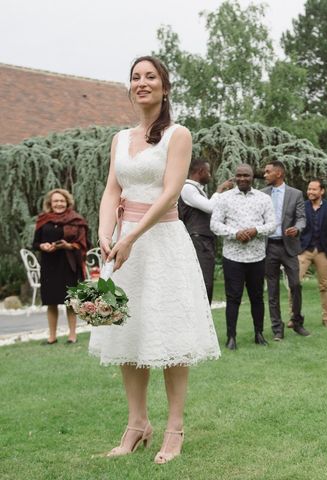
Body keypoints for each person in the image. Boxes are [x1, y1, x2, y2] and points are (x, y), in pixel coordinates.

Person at [89, 56, 220, 464]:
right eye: (135, 77)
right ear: (129, 88)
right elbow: (112, 190)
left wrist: (131, 235)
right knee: (127, 334)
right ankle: (136, 424)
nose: (142, 83)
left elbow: (169, 192)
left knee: (170, 335)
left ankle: (174, 428)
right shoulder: (119, 138)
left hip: (161, 242)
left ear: (164, 87)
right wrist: (105, 232)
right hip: (124, 249)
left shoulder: (177, 135)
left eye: (151, 77)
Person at [210, 164, 276, 350]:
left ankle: (259, 333)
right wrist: (235, 233)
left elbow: (272, 224)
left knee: (257, 297)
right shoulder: (224, 198)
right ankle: (231, 337)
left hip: (256, 256)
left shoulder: (264, 199)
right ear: (234, 177)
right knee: (233, 298)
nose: (242, 179)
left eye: (246, 175)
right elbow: (215, 224)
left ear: (252, 177)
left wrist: (256, 230)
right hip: (233, 256)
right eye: (239, 175)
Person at [32, 188, 89, 345]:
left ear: (67, 202)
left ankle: (72, 335)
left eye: (62, 201)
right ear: (50, 203)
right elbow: (35, 243)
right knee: (51, 301)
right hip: (49, 266)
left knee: (69, 301)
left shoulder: (76, 220)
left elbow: (83, 244)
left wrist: (67, 245)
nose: (59, 203)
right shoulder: (43, 220)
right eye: (56, 201)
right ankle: (52, 336)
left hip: (68, 265)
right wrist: (42, 246)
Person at [261, 161, 310, 340]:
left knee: (295, 285)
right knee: (272, 289)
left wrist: (297, 228)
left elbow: (302, 218)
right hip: (269, 247)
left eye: (268, 172)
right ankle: (277, 329)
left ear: (279, 173)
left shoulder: (295, 194)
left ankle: (297, 322)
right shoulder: (262, 194)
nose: (264, 175)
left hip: (288, 246)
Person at [178, 158, 233, 303]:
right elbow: (210, 207)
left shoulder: (195, 189)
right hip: (198, 240)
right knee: (204, 281)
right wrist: (219, 191)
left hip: (203, 240)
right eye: (208, 172)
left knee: (206, 280)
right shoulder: (187, 188)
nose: (210, 175)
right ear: (200, 171)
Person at [298, 179, 327, 327]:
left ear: (322, 191)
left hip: (323, 251)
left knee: (324, 285)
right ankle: (294, 317)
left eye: (314, 189)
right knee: (294, 284)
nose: (310, 192)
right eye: (309, 189)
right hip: (304, 250)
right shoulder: (302, 206)